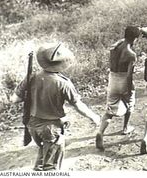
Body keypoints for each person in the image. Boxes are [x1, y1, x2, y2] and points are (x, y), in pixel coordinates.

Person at [10, 43, 101, 171]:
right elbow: (78, 105)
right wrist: (94, 116)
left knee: (43, 151)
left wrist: (31, 94)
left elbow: (14, 99)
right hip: (51, 128)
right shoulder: (63, 83)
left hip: (32, 125)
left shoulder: (31, 77)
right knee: (51, 166)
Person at [96, 26, 140, 151]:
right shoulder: (131, 54)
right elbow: (129, 74)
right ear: (135, 39)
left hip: (113, 79)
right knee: (129, 103)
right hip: (123, 80)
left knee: (110, 109)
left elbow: (123, 41)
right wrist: (130, 86)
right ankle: (125, 127)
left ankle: (100, 132)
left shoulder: (114, 47)